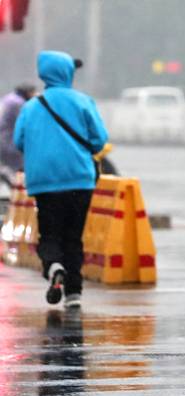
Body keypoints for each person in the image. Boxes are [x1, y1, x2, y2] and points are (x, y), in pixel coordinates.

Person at [13, 51, 108, 309]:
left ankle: (53, 265)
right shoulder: (83, 101)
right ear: (67, 72)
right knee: (73, 236)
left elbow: (18, 141)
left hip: (44, 183)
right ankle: (74, 293)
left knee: (50, 233)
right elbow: (99, 139)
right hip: (79, 180)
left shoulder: (31, 106)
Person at [0, 83, 36, 186]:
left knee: (12, 166)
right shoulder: (18, 103)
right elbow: (26, 122)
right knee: (19, 168)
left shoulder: (9, 98)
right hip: (9, 140)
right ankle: (17, 187)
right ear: (28, 92)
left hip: (3, 138)